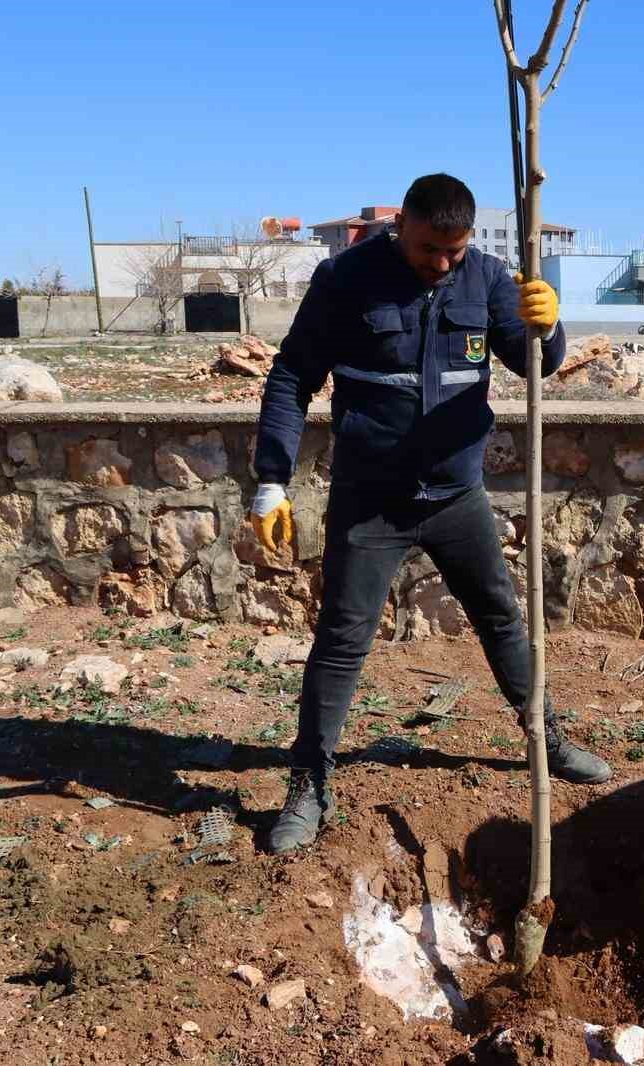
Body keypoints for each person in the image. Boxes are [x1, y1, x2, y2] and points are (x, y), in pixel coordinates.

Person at [250, 173, 612, 855]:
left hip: (456, 496)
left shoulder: (489, 279)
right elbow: (292, 377)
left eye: (454, 251)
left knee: (503, 618)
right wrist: (271, 478)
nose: (441, 263)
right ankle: (310, 783)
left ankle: (547, 740)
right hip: (370, 501)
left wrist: (548, 325)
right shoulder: (345, 280)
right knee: (341, 641)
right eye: (427, 250)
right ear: (401, 229)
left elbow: (538, 365)